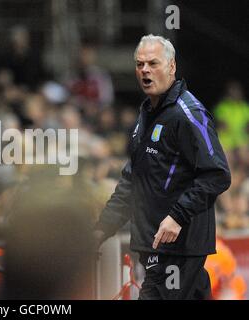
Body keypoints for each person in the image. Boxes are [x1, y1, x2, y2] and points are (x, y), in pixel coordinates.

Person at [95, 35, 231, 300]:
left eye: (153, 63)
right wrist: (102, 228)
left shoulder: (188, 114)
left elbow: (217, 174)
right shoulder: (147, 113)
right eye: (139, 64)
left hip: (175, 250)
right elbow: (132, 181)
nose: (145, 70)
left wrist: (178, 216)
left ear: (172, 67)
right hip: (152, 245)